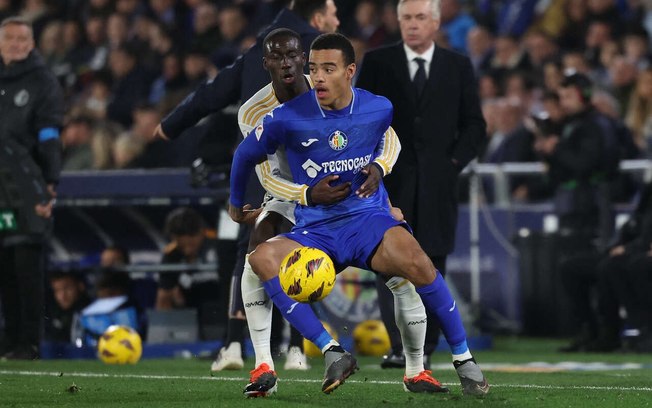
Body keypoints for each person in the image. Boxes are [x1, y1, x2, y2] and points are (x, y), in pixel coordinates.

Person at [229, 32, 489, 397]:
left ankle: (448, 362)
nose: (316, 75)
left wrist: (380, 169)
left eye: (326, 68)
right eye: (314, 69)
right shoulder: (271, 116)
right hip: (300, 206)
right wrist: (285, 195)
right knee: (259, 255)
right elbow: (253, 163)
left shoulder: (376, 107)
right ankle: (296, 358)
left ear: (349, 71)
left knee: (414, 265)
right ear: (267, 64)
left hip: (365, 215)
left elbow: (388, 139)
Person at [152, 0, 340, 373]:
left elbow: (212, 92)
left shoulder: (260, 51)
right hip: (313, 173)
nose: (337, 20)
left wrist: (171, 124)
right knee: (302, 253)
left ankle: (236, 344)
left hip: (260, 172)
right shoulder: (321, 52)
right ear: (318, 18)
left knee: (249, 256)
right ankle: (296, 349)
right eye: (333, 13)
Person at [355, 0, 486, 368]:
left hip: (438, 186)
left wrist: (453, 163)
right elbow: (360, 117)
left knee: (432, 263)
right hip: (389, 183)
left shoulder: (457, 66)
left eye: (420, 18)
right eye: (407, 18)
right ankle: (399, 347)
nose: (413, 25)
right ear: (398, 22)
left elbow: (475, 125)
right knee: (387, 264)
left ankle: (425, 350)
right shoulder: (379, 62)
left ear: (435, 21)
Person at [0, 17, 64, 360]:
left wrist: (50, 182)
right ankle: (9, 340)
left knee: (26, 262)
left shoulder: (42, 82)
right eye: (8, 37)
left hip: (27, 185)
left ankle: (29, 342)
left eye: (21, 38)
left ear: (31, 43)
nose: (14, 43)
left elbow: (50, 135)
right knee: (5, 264)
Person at [45, 271, 91, 343]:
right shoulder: (54, 314)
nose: (62, 296)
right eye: (57, 290)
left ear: (80, 286)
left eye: (67, 288)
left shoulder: (91, 314)